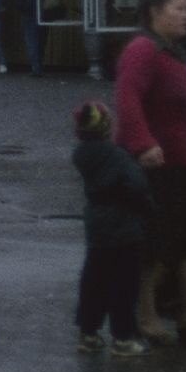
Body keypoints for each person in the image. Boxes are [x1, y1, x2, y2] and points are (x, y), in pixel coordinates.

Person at [112, 0, 186, 344]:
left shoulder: (173, 50)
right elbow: (127, 98)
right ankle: (145, 316)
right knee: (152, 242)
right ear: (155, 12)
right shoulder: (142, 49)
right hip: (154, 166)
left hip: (183, 163)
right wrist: (143, 143)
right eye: (179, 8)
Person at [71, 101, 153, 356]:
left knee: (94, 279)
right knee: (124, 283)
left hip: (97, 223)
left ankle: (89, 332)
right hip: (124, 223)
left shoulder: (82, 154)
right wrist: (148, 207)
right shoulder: (117, 156)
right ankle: (123, 337)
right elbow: (136, 185)